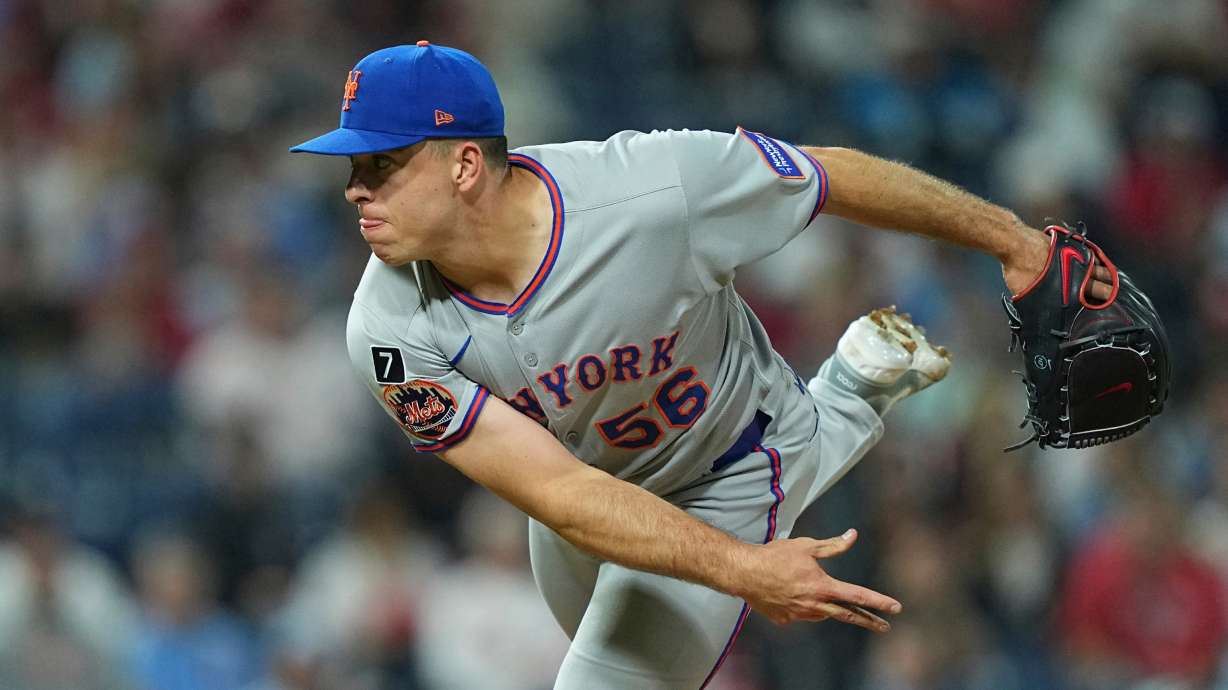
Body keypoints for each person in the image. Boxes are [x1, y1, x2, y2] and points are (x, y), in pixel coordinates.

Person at [290, 42, 1110, 689]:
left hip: (726, 469)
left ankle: (835, 408)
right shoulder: (387, 329)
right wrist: (747, 574)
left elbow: (829, 176)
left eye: (383, 164)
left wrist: (1017, 242)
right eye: (356, 169)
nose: (358, 190)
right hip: (587, 497)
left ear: (466, 164)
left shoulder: (652, 190)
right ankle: (853, 389)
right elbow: (566, 499)